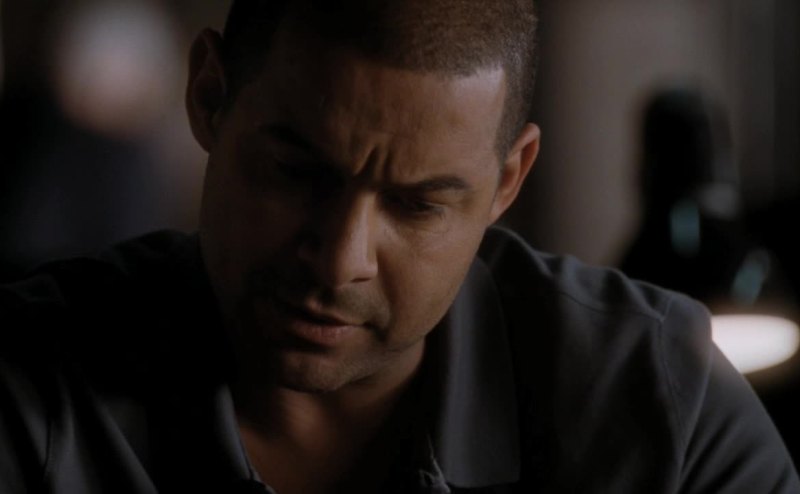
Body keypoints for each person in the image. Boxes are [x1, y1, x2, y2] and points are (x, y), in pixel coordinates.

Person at [1, 0, 798, 492]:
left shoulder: (664, 417)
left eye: (418, 205)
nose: (340, 259)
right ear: (209, 95)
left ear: (508, 180)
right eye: (297, 173)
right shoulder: (28, 386)